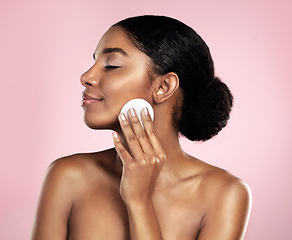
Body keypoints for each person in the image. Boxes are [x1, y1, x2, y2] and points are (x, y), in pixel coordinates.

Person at [31, 15, 252, 240]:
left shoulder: (224, 194)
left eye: (111, 65)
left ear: (163, 86)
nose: (86, 77)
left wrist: (139, 202)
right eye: (94, 62)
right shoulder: (68, 176)